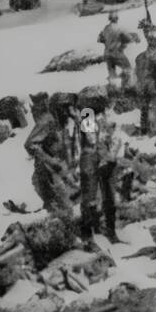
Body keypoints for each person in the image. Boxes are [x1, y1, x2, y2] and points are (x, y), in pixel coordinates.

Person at [25, 93, 77, 221]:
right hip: (46, 172)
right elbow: (30, 144)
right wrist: (50, 160)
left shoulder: (59, 121)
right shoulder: (47, 121)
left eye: (69, 107)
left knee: (63, 208)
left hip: (58, 171)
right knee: (63, 209)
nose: (67, 111)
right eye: (64, 108)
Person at [77, 106, 124, 244]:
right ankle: (92, 233)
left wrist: (110, 156)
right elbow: (91, 142)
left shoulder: (108, 114)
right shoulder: (88, 114)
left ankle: (109, 232)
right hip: (94, 162)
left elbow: (116, 138)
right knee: (92, 199)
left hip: (107, 163)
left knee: (109, 199)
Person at [133, 31, 156, 136]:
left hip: (142, 86)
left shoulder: (139, 57)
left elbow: (136, 73)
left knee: (144, 108)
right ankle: (155, 128)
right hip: (154, 86)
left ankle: (143, 130)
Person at [98, 12, 134, 89]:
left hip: (107, 54)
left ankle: (114, 87)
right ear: (117, 19)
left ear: (109, 19)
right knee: (128, 68)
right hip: (117, 54)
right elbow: (129, 38)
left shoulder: (105, 28)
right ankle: (128, 86)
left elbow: (100, 39)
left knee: (112, 71)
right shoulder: (120, 28)